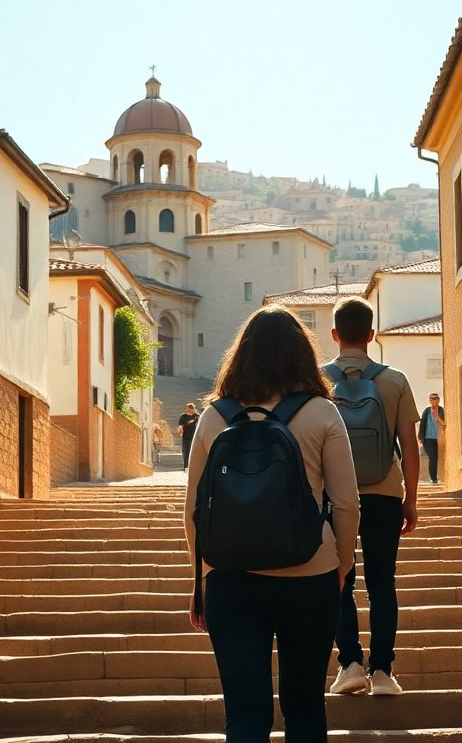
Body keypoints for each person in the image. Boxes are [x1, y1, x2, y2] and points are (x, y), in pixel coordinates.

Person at [185, 306, 360, 742]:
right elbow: (346, 504)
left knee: (245, 714)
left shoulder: (214, 417)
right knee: (305, 710)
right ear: (302, 354)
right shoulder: (322, 412)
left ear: (240, 356)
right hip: (310, 574)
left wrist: (201, 578)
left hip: (231, 577)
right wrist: (340, 566)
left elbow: (193, 512)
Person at [326, 297, 420, 697]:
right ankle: (382, 671)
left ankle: (349, 664)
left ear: (334, 334)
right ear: (371, 334)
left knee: (339, 580)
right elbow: (409, 445)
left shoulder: (316, 381)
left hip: (334, 496)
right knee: (382, 583)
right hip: (384, 492)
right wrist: (411, 499)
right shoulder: (394, 380)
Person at [418, 393, 445, 484]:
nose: (433, 401)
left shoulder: (441, 410)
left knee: (438, 458)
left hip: (439, 439)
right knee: (432, 457)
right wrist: (420, 437)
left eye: (435, 399)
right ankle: (433, 478)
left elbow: (445, 423)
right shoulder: (426, 411)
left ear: (438, 400)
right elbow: (422, 424)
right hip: (428, 439)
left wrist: (438, 418)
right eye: (431, 399)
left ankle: (440, 476)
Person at [177, 403, 199, 470]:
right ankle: (186, 466)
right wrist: (180, 429)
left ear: (193, 409)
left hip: (194, 436)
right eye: (188, 408)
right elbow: (180, 424)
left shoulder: (196, 416)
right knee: (186, 451)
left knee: (194, 451)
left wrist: (192, 421)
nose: (189, 410)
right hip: (186, 436)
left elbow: (197, 420)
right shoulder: (183, 416)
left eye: (191, 409)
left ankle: (193, 465)